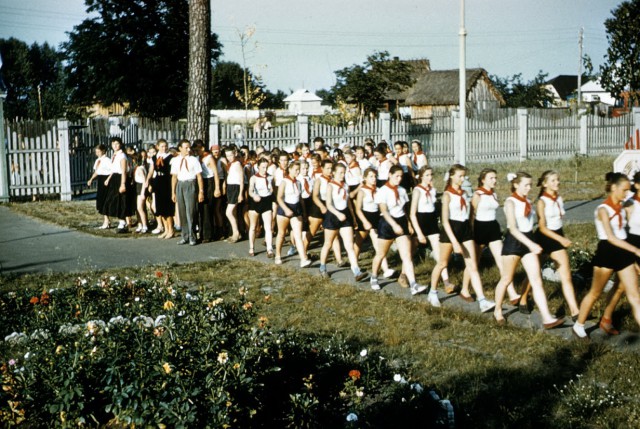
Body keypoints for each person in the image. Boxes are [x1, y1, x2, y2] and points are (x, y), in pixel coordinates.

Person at [573, 173, 640, 339]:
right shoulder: (602, 209)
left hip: (623, 253)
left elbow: (625, 231)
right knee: (595, 293)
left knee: (634, 295)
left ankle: (606, 320)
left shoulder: (624, 207)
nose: (626, 193)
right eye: (624, 190)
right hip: (607, 252)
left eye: (628, 190)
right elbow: (610, 237)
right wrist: (635, 250)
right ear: (614, 187)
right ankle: (579, 325)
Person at [493, 172, 563, 328]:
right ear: (516, 184)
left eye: (531, 185)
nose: (529, 188)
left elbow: (531, 224)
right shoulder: (510, 202)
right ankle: (497, 310)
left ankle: (547, 318)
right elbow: (512, 228)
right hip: (514, 243)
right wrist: (531, 245)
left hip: (528, 241)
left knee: (536, 280)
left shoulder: (529, 202)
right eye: (526, 185)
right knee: (506, 279)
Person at [429, 164, 495, 312]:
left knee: (472, 265)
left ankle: (482, 300)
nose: (462, 178)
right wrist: (454, 242)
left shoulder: (465, 193)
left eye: (464, 176)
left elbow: (469, 214)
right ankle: (432, 292)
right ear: (451, 176)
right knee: (442, 264)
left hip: (465, 229)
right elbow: (445, 221)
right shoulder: (447, 195)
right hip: (450, 230)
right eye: (459, 175)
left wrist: (471, 228)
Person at [460, 168, 520, 304]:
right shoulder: (478, 194)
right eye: (491, 178)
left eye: (495, 178)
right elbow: (471, 215)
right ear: (483, 180)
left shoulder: (494, 194)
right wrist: (470, 231)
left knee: (501, 261)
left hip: (493, 228)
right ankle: (464, 289)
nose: (494, 180)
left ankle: (512, 294)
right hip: (479, 229)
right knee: (473, 262)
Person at [528, 170, 580, 319]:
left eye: (557, 180)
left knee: (566, 276)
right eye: (553, 181)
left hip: (557, 236)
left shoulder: (559, 198)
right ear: (544, 184)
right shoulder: (541, 202)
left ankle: (574, 310)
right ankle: (524, 298)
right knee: (534, 273)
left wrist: (560, 238)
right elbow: (543, 227)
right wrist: (561, 240)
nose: (557, 183)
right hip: (544, 237)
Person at [370, 165, 427, 295]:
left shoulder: (402, 190)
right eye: (397, 176)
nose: (399, 178)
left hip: (401, 222)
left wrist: (409, 223)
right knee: (381, 254)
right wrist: (394, 225)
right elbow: (384, 211)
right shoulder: (382, 191)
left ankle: (413, 285)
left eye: (401, 176)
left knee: (407, 256)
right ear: (389, 175)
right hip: (387, 223)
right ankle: (374, 278)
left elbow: (405, 210)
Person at [318, 163, 367, 281]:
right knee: (328, 244)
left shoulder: (345, 185)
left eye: (344, 172)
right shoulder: (330, 186)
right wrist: (338, 214)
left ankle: (356, 270)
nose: (342, 175)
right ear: (333, 173)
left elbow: (349, 203)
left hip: (345, 217)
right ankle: (322, 267)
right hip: (333, 216)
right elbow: (328, 204)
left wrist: (353, 217)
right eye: (340, 172)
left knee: (349, 245)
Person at [409, 166, 455, 292]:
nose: (430, 177)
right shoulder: (417, 191)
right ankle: (404, 275)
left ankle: (446, 282)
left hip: (431, 223)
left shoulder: (432, 190)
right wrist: (419, 233)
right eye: (427, 175)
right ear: (421, 177)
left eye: (431, 174)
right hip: (420, 221)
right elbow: (412, 213)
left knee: (440, 253)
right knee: (410, 253)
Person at [354, 168, 395, 279]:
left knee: (377, 242)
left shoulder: (378, 190)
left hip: (376, 217)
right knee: (359, 242)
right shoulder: (362, 191)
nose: (374, 179)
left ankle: (385, 269)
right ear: (365, 178)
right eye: (371, 176)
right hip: (365, 216)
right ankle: (354, 264)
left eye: (375, 176)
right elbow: (358, 209)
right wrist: (365, 221)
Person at [274, 161, 312, 267]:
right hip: (284, 209)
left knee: (298, 235)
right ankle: (277, 255)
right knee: (281, 234)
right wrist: (286, 209)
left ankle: (303, 259)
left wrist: (303, 212)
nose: (297, 171)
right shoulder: (284, 182)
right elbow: (279, 197)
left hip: (296, 210)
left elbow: (300, 199)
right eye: (295, 169)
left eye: (298, 169)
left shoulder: (298, 182)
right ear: (290, 169)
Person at [171, 139, 204, 246]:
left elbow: (199, 177)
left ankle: (192, 237)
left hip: (191, 184)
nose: (188, 149)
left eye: (189, 147)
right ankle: (184, 236)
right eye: (186, 147)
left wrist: (201, 192)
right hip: (180, 185)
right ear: (180, 148)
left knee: (191, 212)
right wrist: (173, 192)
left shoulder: (194, 160)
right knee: (182, 212)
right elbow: (174, 177)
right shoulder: (175, 160)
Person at [146, 139, 175, 239]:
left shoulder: (170, 157)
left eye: (166, 146)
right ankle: (166, 229)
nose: (164, 148)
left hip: (166, 182)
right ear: (157, 147)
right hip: (157, 181)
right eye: (162, 146)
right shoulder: (154, 157)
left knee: (167, 208)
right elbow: (151, 171)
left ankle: (171, 230)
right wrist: (147, 181)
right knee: (160, 207)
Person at [194, 140, 221, 243]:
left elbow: (215, 174)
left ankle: (208, 235)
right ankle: (201, 233)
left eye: (198, 149)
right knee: (201, 208)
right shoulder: (197, 158)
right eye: (195, 149)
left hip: (209, 182)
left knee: (207, 209)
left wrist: (217, 188)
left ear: (202, 148)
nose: (197, 151)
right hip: (201, 183)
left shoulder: (209, 158)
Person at [102, 137, 130, 233]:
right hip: (114, 178)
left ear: (120, 144)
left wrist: (122, 184)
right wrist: (108, 179)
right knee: (112, 200)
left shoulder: (122, 156)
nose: (115, 146)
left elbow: (123, 171)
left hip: (120, 179)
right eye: (113, 144)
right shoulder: (115, 155)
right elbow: (113, 170)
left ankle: (123, 222)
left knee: (120, 200)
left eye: (117, 144)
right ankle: (120, 221)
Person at [248, 158, 274, 257]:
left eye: (266, 167)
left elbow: (272, 189)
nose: (265, 169)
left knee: (268, 227)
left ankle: (270, 249)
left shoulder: (270, 177)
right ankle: (251, 248)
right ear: (258, 167)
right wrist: (254, 195)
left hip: (266, 201)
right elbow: (250, 190)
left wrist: (271, 191)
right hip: (256, 202)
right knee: (253, 227)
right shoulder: (253, 178)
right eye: (263, 167)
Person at [87, 143, 112, 229]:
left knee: (105, 200)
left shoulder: (108, 160)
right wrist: (91, 179)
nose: (97, 153)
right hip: (100, 180)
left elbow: (113, 171)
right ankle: (106, 220)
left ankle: (107, 221)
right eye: (96, 152)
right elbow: (97, 172)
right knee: (101, 200)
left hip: (106, 180)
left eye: (98, 151)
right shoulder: (97, 161)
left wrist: (108, 179)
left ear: (103, 151)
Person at [224, 145, 244, 243]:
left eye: (230, 155)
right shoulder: (231, 164)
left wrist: (240, 194)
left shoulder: (237, 164)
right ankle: (235, 233)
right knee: (233, 212)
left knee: (228, 212)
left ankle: (236, 233)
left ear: (235, 154)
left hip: (236, 188)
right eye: (227, 156)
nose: (229, 158)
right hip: (230, 187)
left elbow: (241, 180)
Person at [132, 152, 149, 233]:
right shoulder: (140, 167)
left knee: (140, 208)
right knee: (137, 208)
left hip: (140, 189)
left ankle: (145, 225)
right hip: (137, 188)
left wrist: (142, 193)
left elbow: (144, 181)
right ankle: (140, 224)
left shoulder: (140, 169)